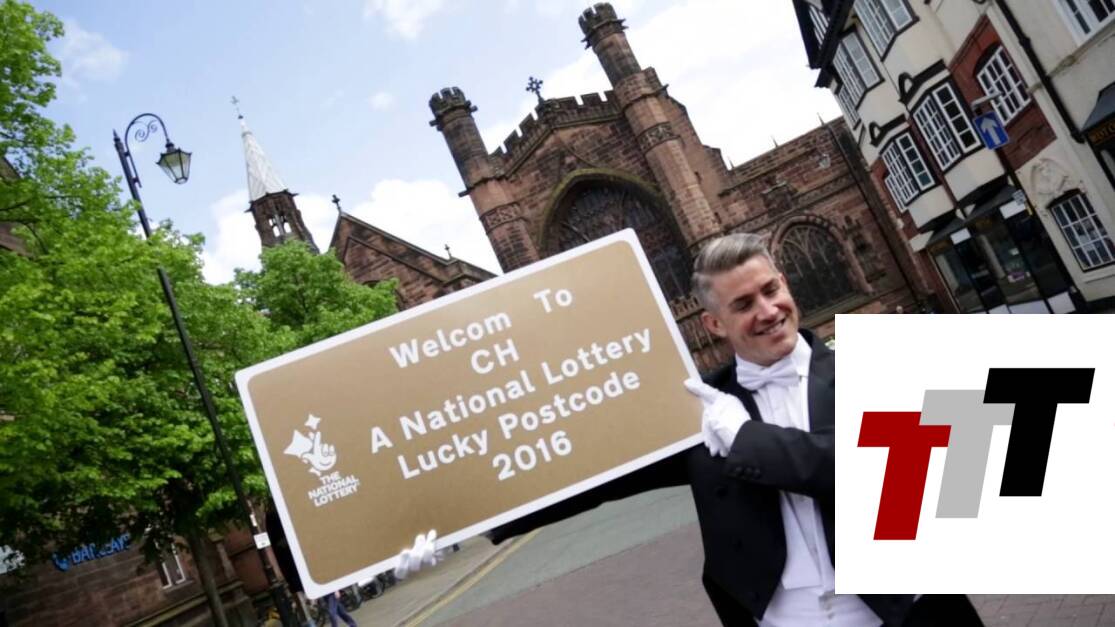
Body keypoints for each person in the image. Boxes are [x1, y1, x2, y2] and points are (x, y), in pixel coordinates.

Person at [396, 233, 982, 626]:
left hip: (907, 612)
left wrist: (745, 439)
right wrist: (463, 527)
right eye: (743, 304)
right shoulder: (699, 407)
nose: (768, 311)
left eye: (771, 290)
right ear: (714, 323)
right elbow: (593, 477)